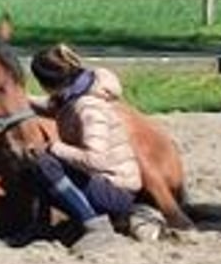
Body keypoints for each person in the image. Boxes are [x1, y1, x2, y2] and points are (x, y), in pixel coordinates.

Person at [28, 43, 142, 252]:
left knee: (46, 164)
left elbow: (96, 161)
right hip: (105, 184)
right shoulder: (73, 96)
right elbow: (49, 105)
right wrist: (17, 98)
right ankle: (41, 227)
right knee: (36, 161)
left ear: (46, 83)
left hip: (115, 190)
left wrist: (55, 148)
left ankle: (96, 228)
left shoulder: (88, 108)